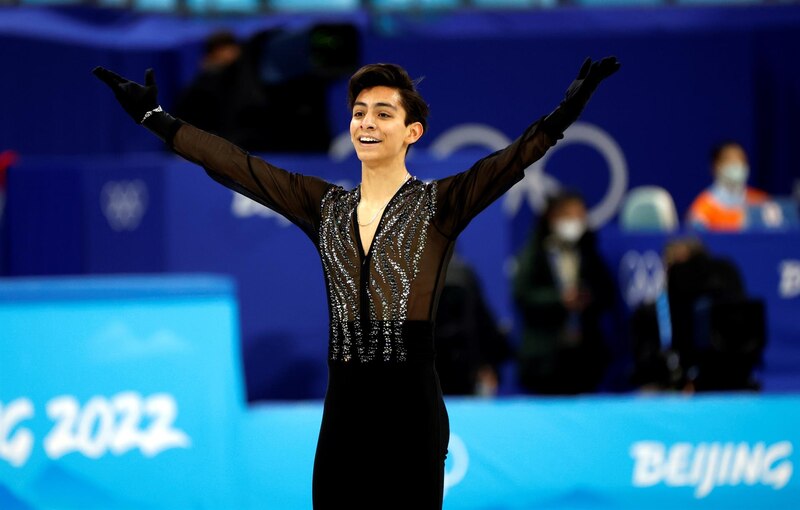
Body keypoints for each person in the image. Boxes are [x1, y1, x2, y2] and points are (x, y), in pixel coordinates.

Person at [93, 56, 619, 509]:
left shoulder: (441, 204)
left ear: (412, 132)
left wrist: (565, 113)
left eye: (383, 113)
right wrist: (153, 117)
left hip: (411, 410)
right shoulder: (324, 207)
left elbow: (514, 159)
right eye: (359, 112)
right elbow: (237, 166)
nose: (367, 122)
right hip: (344, 413)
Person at [513, 191, 615, 395]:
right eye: (569, 215)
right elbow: (522, 294)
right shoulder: (535, 252)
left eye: (580, 215)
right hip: (544, 359)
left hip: (584, 359)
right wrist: (559, 300)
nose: (576, 221)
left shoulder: (589, 252)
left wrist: (587, 297)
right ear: (553, 218)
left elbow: (606, 292)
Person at [434, 250, 511, 396]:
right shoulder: (463, 272)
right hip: (462, 370)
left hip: (445, 370)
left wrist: (486, 364)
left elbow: (479, 321)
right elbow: (481, 322)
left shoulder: (462, 274)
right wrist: (486, 363)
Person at [687, 140, 768, 231]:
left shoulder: (760, 201)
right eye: (729, 160)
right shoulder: (702, 208)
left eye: (741, 159)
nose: (736, 165)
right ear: (715, 166)